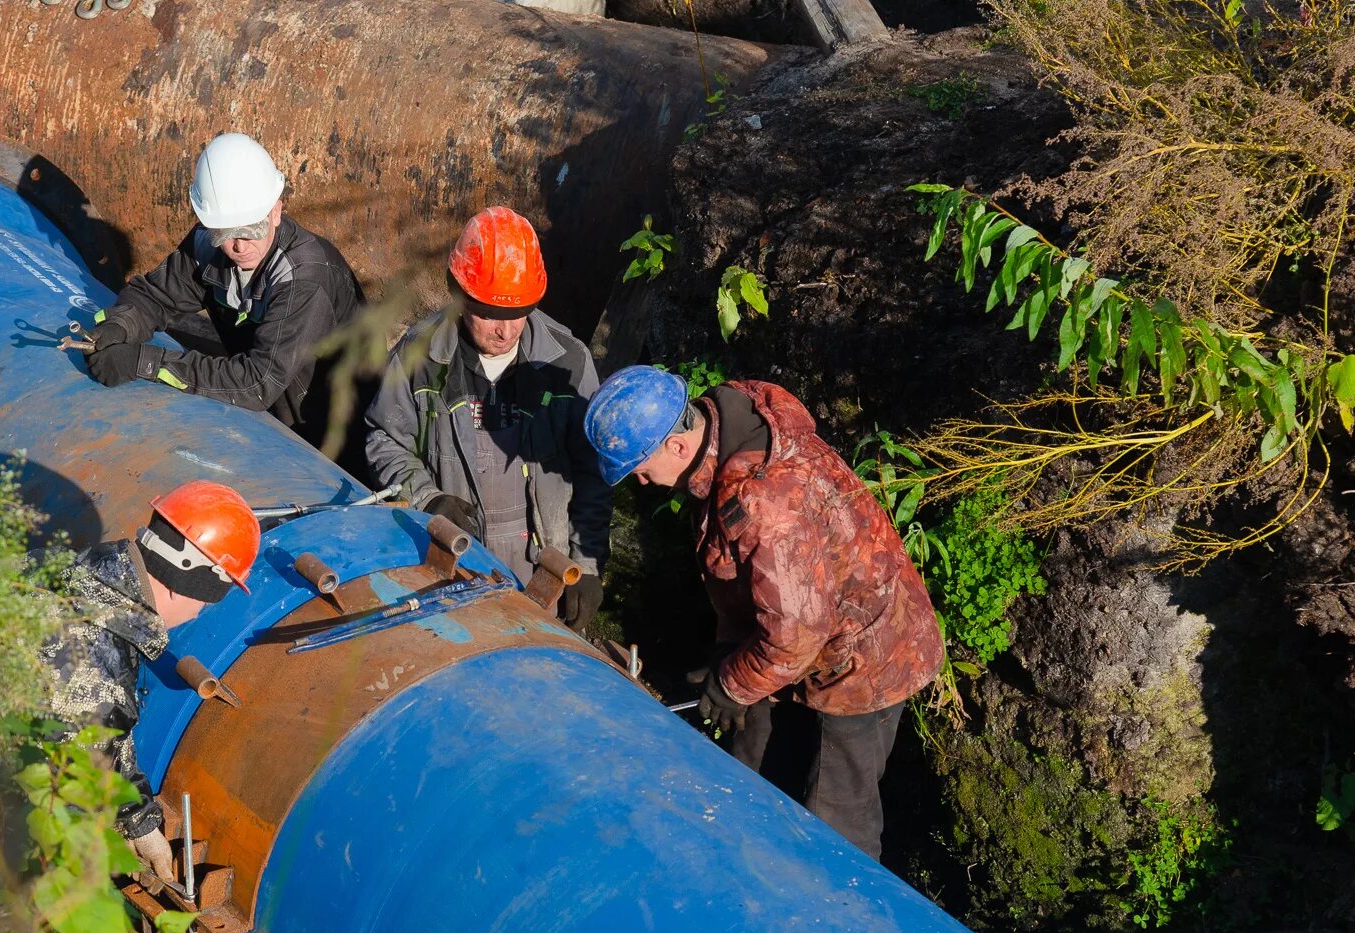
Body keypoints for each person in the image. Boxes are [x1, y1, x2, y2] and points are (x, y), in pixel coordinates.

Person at [582, 366, 944, 858]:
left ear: (678, 446)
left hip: (866, 659)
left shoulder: (764, 498)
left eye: (641, 468)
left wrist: (733, 684)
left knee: (835, 816)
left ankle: (835, 915)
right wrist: (730, 648)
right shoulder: (722, 430)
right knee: (750, 763)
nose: (642, 483)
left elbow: (797, 634)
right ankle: (743, 866)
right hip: (794, 634)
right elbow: (754, 578)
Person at [363, 207, 609, 631]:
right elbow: (384, 439)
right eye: (490, 313)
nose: (506, 330)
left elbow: (592, 469)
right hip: (454, 568)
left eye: (519, 312)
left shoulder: (567, 362)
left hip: (543, 575)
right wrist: (427, 500)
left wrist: (585, 565)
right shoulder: (420, 358)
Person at [42, 480, 260, 878]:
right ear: (193, 583)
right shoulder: (94, 668)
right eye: (207, 602)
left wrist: (136, 820)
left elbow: (100, 738)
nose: (199, 615)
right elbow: (56, 814)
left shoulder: (76, 573)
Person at [83, 132, 362, 439]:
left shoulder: (304, 277)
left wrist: (146, 363)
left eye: (251, 229)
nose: (238, 246)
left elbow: (257, 384)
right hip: (270, 415)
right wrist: (119, 325)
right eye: (224, 233)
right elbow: (154, 296)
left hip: (331, 431)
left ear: (276, 212)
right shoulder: (210, 245)